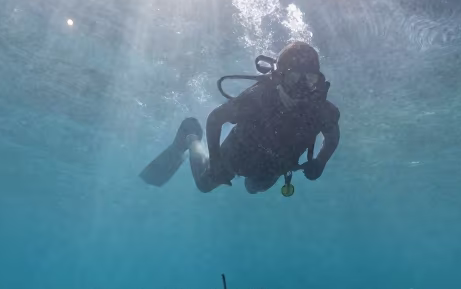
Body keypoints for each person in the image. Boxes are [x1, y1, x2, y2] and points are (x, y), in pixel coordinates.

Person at [138, 41, 340, 195]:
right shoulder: (258, 98)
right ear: (279, 78)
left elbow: (332, 137)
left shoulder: (322, 110)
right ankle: (191, 135)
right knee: (204, 185)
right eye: (294, 79)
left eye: (310, 80)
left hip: (274, 165)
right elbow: (216, 119)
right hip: (237, 153)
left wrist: (321, 161)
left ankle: (250, 178)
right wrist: (216, 162)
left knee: (254, 188)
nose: (301, 90)